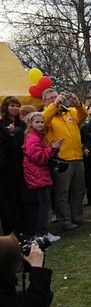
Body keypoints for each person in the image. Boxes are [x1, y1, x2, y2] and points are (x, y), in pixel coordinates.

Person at [41, 89, 89, 231]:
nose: (56, 99)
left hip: (77, 157)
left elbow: (83, 115)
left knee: (79, 190)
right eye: (51, 98)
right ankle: (64, 219)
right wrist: (54, 105)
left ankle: (78, 216)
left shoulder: (69, 112)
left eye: (56, 96)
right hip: (62, 160)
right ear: (44, 102)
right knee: (62, 193)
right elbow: (44, 121)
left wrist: (78, 104)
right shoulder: (46, 115)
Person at [23, 112, 63, 242]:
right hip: (37, 177)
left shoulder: (38, 137)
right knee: (43, 206)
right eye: (37, 122)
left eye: (42, 122)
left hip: (40, 175)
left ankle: (42, 232)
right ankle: (41, 234)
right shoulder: (33, 138)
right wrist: (53, 148)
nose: (40, 124)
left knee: (43, 205)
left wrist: (52, 148)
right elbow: (39, 158)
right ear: (31, 124)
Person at [0, 96, 29, 236]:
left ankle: (24, 230)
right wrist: (8, 134)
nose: (15, 108)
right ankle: (12, 233)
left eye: (17, 106)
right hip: (6, 170)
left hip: (22, 167)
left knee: (22, 200)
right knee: (9, 204)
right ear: (6, 107)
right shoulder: (1, 125)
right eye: (12, 105)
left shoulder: (22, 125)